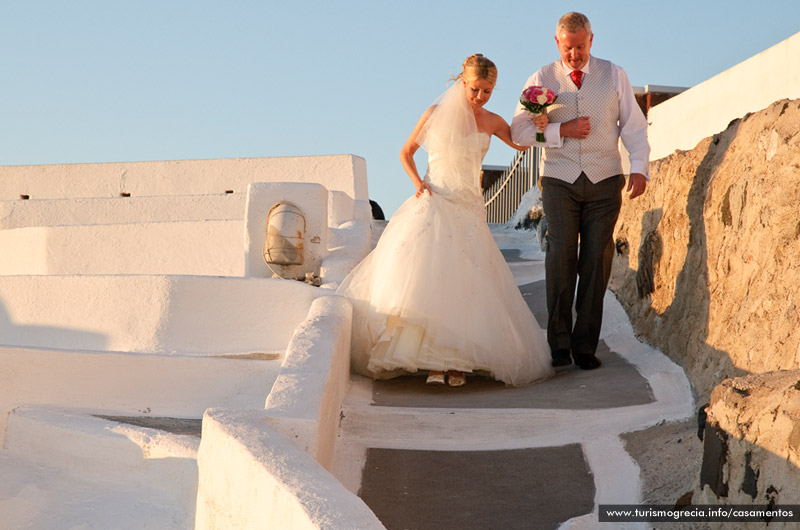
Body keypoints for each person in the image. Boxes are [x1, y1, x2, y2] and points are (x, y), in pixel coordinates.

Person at [336, 54, 554, 387]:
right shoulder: (435, 115)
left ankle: (458, 363)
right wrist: (418, 183)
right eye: (476, 89)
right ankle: (434, 363)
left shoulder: (493, 121)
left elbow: (523, 146)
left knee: (466, 283)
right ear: (462, 83)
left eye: (488, 91)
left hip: (468, 208)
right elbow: (406, 152)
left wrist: (540, 127)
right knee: (429, 279)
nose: (480, 97)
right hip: (434, 200)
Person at [510, 12, 650, 370]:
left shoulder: (614, 74)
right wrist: (561, 131)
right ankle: (558, 344)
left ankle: (584, 346)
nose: (574, 54)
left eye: (580, 46)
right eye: (568, 47)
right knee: (560, 257)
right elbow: (521, 135)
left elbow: (633, 125)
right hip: (559, 180)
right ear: (558, 43)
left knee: (596, 261)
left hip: (605, 180)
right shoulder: (540, 79)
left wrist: (638, 167)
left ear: (591, 40)